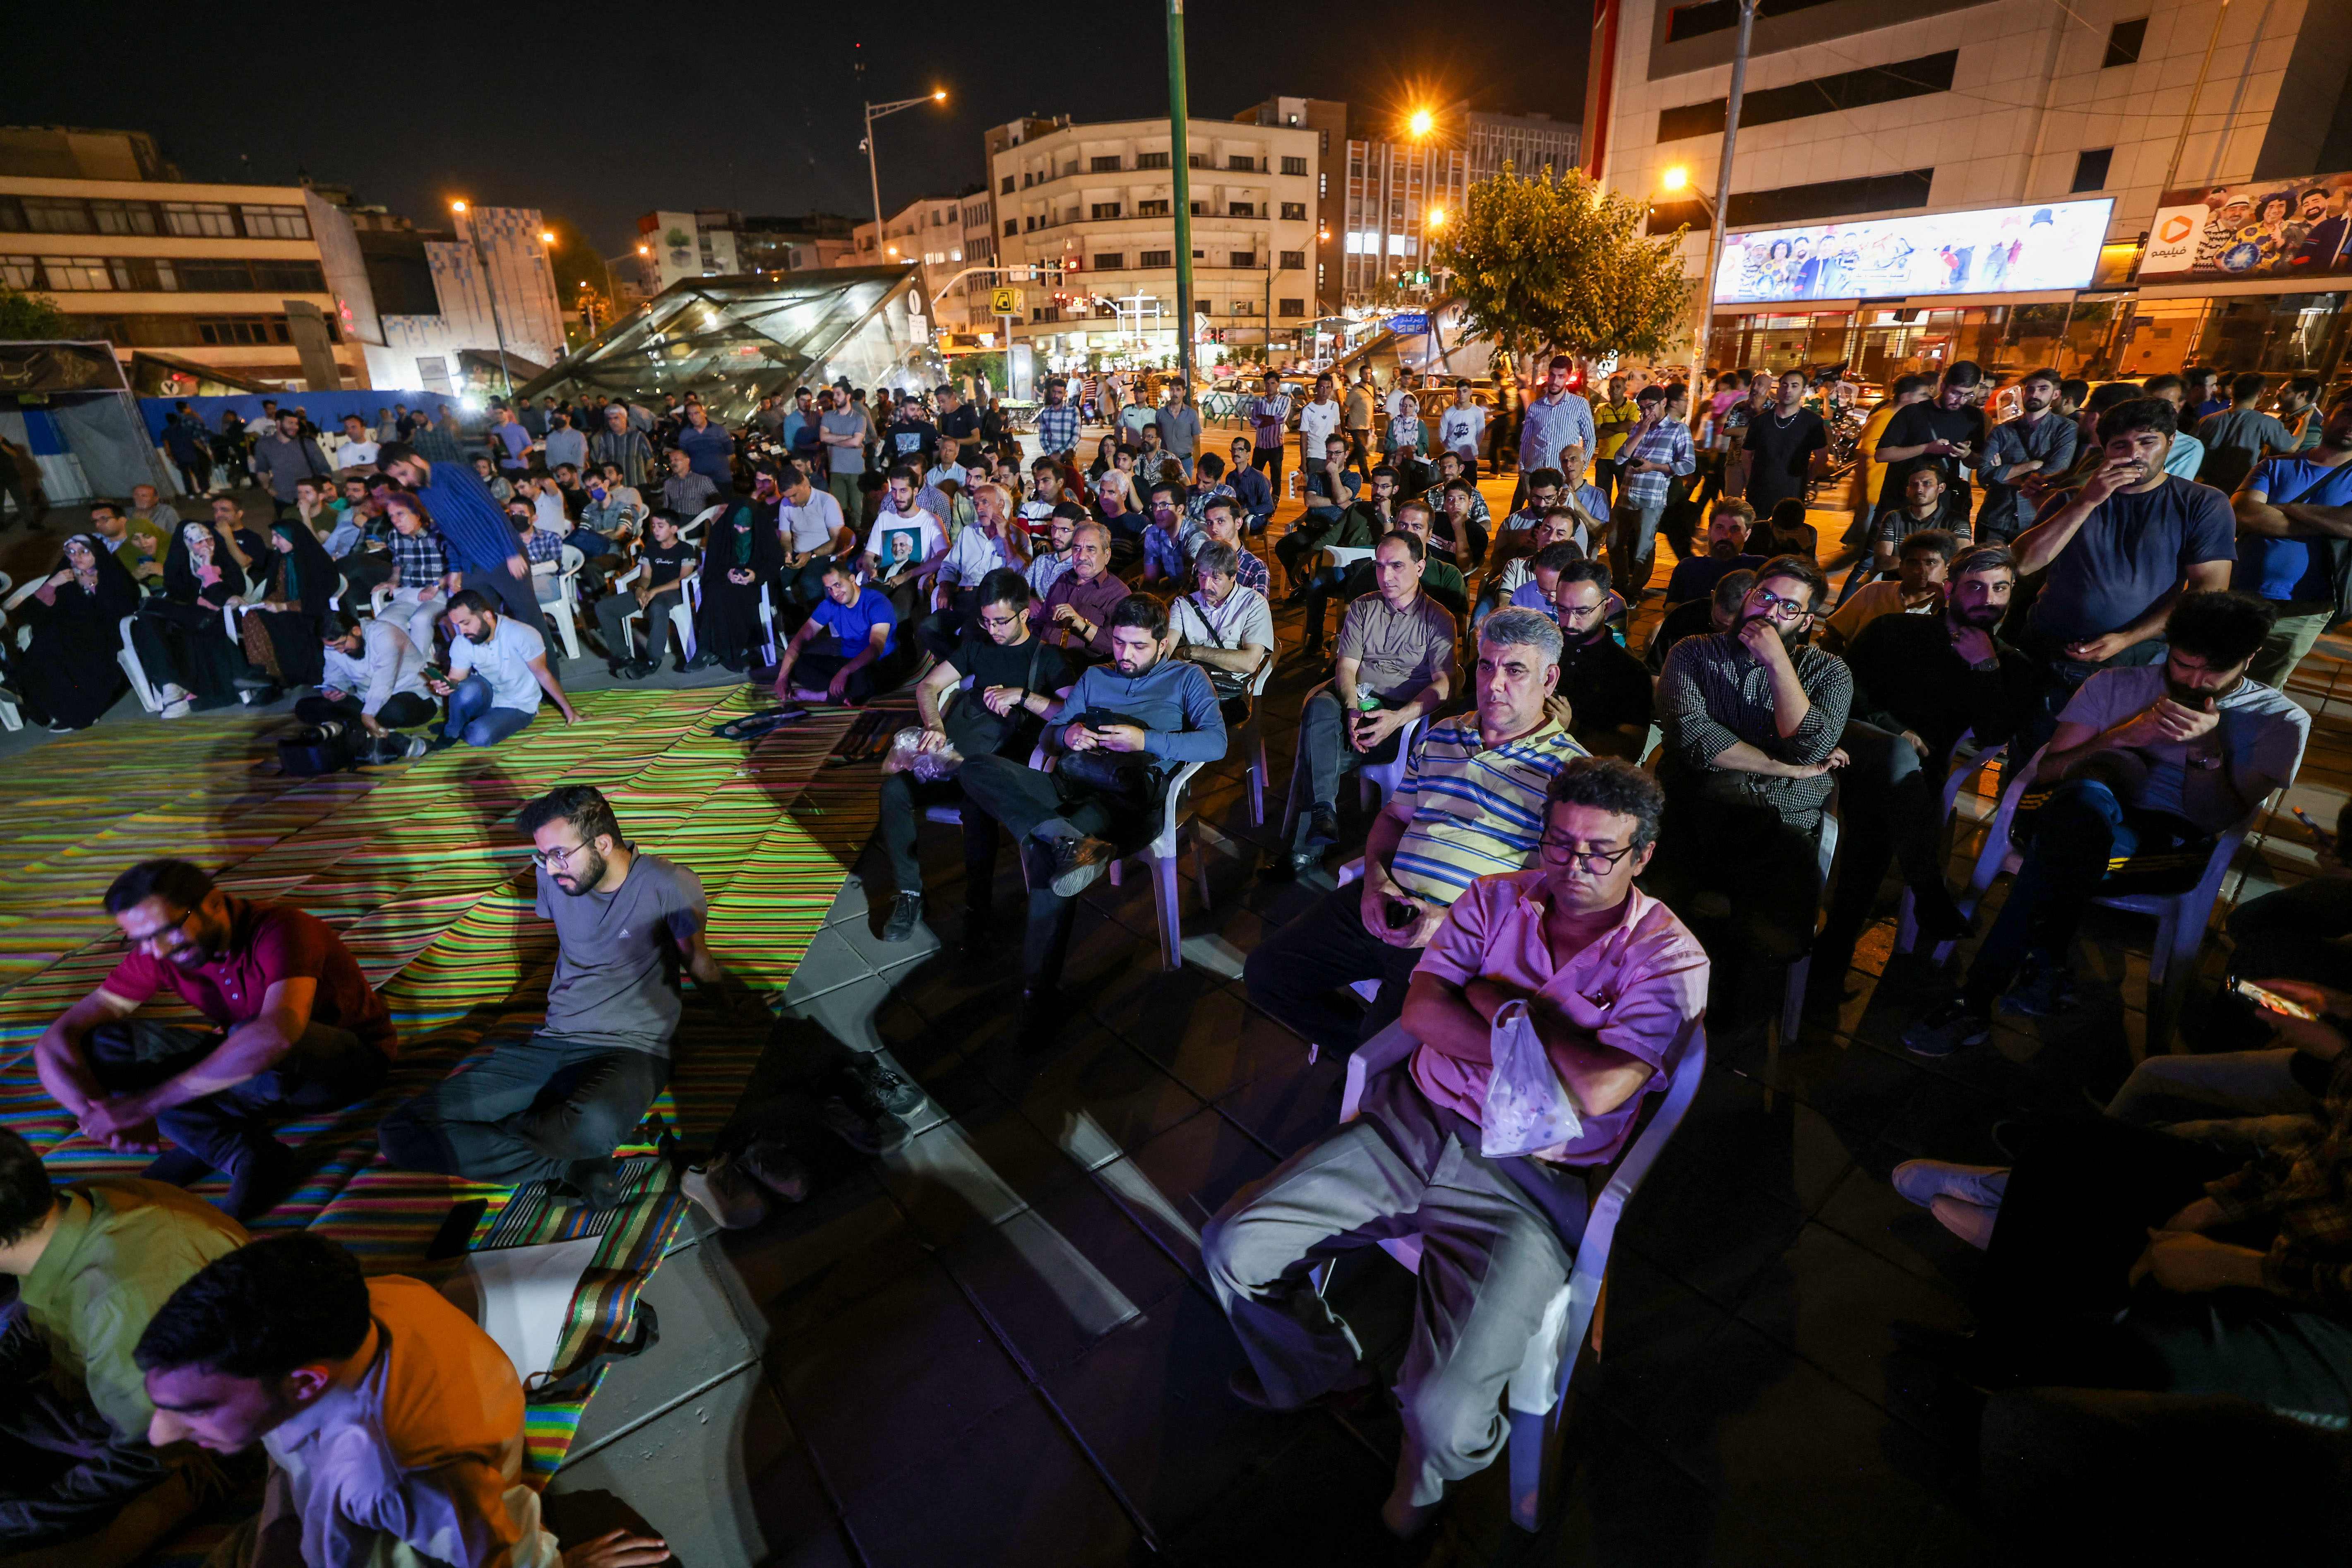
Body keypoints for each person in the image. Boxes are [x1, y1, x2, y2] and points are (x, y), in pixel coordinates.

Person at [1206, 759, 1706, 1538]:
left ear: (1641, 855)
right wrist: (1536, 1035)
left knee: (1445, 1408)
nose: (1572, 866)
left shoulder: (1670, 958)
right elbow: (1420, 1016)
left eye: (1599, 852)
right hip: (1416, 1122)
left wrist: (1490, 998)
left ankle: (1430, 1471)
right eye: (1558, 841)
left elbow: (1602, 1092)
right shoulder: (1493, 896)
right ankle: (1323, 1373)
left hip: (1531, 1180)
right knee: (1235, 1243)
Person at [1903, 591, 2307, 1054]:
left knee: (2057, 851)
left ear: (2250, 658)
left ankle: (1983, 996)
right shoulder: (2115, 685)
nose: (2194, 681)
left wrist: (2206, 748)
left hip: (2166, 841)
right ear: (2169, 647)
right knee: (2081, 800)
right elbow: (2052, 770)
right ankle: (2039, 973)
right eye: (2182, 663)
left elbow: (2212, 819)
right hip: (2079, 808)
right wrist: (2125, 735)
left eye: (2214, 670)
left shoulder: (2280, 721)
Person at [134, 1233, 664, 1568]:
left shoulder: (403, 1472)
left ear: (305, 1384)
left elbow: (490, 1545)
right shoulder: (368, 1303)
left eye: (197, 1409)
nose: (161, 1434)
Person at [1249, 610, 1586, 1047]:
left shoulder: (1570, 774)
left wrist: (1451, 924)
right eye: (1486, 665)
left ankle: (1375, 1062)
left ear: (1550, 678)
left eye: (1515, 670)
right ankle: (1366, 1053)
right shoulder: (1444, 735)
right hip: (1385, 900)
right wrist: (1375, 883)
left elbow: (1558, 891)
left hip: (1458, 937)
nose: (1494, 683)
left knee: (1371, 1079)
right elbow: (1393, 818)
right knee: (1265, 974)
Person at [381, 787, 726, 1208]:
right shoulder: (555, 875)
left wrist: (733, 1009)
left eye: (560, 854)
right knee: (399, 1133)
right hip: (553, 1041)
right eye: (542, 856)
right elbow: (575, 939)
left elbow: (699, 961)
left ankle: (562, 1143)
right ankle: (567, 1164)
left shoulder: (667, 883)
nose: (549, 868)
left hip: (633, 1047)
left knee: (593, 1125)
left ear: (603, 843)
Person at [32, 859, 396, 1219]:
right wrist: (98, 1113)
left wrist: (146, 1105)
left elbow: (279, 1034)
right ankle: (240, 1151)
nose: (157, 951)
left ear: (215, 903)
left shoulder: (282, 929)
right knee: (104, 1047)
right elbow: (56, 1040)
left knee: (254, 1034)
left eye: (168, 930)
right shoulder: (159, 951)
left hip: (341, 1068)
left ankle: (212, 1135)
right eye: (141, 939)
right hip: (252, 1071)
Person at [957, 596, 1226, 1037]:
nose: (1125, 655)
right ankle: (1061, 836)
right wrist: (1070, 732)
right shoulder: (1095, 676)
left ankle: (1035, 997)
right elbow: (1051, 734)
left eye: (1138, 646)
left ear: (1162, 645)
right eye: (1119, 643)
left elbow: (1215, 744)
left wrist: (1146, 740)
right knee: (976, 768)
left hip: (1124, 803)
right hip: (1069, 783)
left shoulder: (1186, 678)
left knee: (1048, 861)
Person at [0, 1127, 246, 1554]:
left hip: (190, 1452)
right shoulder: (70, 1208)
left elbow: (145, 1455)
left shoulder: (122, 1299)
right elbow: (40, 1315)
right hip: (102, 1398)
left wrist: (15, 1522)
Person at [1817, 545, 2040, 992]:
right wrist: (1895, 731)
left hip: (1914, 778)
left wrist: (1985, 667)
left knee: (1876, 824)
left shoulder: (2009, 664)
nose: (1988, 599)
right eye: (1975, 587)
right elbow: (1848, 694)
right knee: (1890, 782)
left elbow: (1996, 731)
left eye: (2000, 588)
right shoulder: (1894, 631)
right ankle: (1927, 892)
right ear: (1950, 589)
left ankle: (1829, 965)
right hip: (1849, 747)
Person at [1649, 557, 1852, 969]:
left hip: (1779, 818)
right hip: (1695, 808)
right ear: (1749, 596)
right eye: (1766, 597)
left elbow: (1811, 746)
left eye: (1789, 608)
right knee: (1652, 910)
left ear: (1806, 621)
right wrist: (1787, 768)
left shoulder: (1828, 671)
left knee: (1769, 938)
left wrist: (1777, 663)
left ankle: (1743, 1016)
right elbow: (1694, 738)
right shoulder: (1692, 653)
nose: (1772, 612)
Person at [2009, 396, 2237, 752]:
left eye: (2148, 442)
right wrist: (2087, 501)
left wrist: (2126, 638)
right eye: (2120, 446)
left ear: (2171, 442)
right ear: (2104, 449)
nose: (2134, 455)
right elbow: (2023, 563)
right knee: (2034, 751)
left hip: (2136, 657)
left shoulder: (2201, 503)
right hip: (2050, 647)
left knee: (2108, 756)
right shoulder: (2073, 498)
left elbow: (2208, 590)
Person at [880, 569, 1074, 945]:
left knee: (976, 802)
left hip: (996, 769)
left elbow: (1072, 711)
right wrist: (934, 725)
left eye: (1001, 621)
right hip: (950, 758)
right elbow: (928, 686)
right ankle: (909, 894)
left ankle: (978, 905)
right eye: (986, 620)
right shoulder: (977, 647)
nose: (993, 629)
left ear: (1025, 613)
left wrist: (1023, 696)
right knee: (894, 792)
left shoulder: (1047, 657)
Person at [1283, 531, 1459, 873]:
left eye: (1396, 566)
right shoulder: (1364, 607)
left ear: (1420, 567)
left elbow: (1445, 684)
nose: (1386, 576)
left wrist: (1396, 719)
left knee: (1316, 747)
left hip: (1396, 714)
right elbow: (1346, 667)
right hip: (1357, 702)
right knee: (1320, 705)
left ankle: (1306, 845)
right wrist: (1351, 708)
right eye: (1379, 566)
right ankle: (1323, 810)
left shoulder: (1439, 619)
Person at [376, 442, 555, 650]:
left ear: (415, 460)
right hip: (472, 566)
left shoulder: (453, 473)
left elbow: (492, 511)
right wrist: (454, 569)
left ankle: (548, 680)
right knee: (481, 628)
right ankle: (506, 678)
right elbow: (449, 534)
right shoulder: (423, 492)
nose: (404, 482)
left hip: (502, 557)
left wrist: (512, 552)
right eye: (397, 478)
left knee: (529, 621)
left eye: (404, 473)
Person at [2233, 388, 2352, 687]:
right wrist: (2328, 524)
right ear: (2328, 413)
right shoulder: (2274, 465)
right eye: (2348, 412)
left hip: (2306, 608)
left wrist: (2284, 509)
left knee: (2263, 690)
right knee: (2210, 675)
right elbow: (2244, 512)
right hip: (2240, 593)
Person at [132, 518, 260, 717]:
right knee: (147, 623)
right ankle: (171, 687)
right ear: (186, 545)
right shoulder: (179, 566)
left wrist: (208, 567)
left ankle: (180, 689)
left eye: (209, 539)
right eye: (198, 542)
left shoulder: (223, 562)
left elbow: (229, 593)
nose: (207, 546)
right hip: (186, 620)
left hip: (215, 621)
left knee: (173, 627)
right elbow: (180, 595)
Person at [13, 532, 139, 731]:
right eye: (71, 552)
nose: (76, 557)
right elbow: (30, 615)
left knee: (52, 649)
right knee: (44, 647)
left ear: (97, 554)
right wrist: (52, 585)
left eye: (84, 552)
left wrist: (92, 585)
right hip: (68, 638)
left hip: (105, 639)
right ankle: (34, 701)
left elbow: (123, 608)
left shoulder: (110, 573)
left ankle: (42, 701)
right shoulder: (65, 576)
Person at [426, 591, 578, 749]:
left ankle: (464, 727)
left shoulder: (522, 634)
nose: (462, 631)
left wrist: (569, 711)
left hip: (519, 705)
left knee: (479, 736)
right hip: (488, 696)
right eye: (458, 626)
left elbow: (543, 675)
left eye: (466, 623)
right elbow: (457, 679)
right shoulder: (463, 641)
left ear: (487, 616)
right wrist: (446, 686)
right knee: (467, 689)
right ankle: (452, 731)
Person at [1549, 559, 1653, 760]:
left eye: (1582, 612)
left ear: (1607, 608)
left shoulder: (1631, 672)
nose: (1569, 622)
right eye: (1562, 610)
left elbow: (1629, 752)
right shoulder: (1542, 650)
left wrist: (1571, 728)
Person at [1607, 383, 1700, 596]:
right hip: (1625, 497)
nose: (1647, 413)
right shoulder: (1640, 428)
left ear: (1664, 403)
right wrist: (1641, 432)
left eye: (1650, 407)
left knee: (1643, 550)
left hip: (1651, 501)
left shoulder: (1678, 430)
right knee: (1613, 543)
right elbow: (1620, 458)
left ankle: (1635, 590)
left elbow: (1688, 465)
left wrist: (1654, 467)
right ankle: (1620, 584)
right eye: (1642, 408)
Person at [775, 556, 896, 705]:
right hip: (847, 662)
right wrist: (782, 677)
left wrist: (845, 672)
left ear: (852, 579)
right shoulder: (830, 604)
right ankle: (844, 694)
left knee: (865, 680)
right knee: (797, 665)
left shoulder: (877, 603)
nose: (835, 593)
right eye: (830, 589)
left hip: (878, 663)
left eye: (838, 585)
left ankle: (820, 696)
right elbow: (801, 638)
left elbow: (876, 648)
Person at [296, 610, 435, 739]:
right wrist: (333, 689)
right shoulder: (334, 646)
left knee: (393, 712)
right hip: (364, 700)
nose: (339, 651)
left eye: (342, 644)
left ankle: (349, 722)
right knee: (304, 707)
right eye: (333, 647)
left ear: (356, 631)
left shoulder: (385, 635)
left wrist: (368, 714)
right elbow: (334, 676)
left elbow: (384, 682)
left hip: (412, 695)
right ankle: (358, 721)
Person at [1821, 528, 1956, 654]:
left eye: (1931, 563)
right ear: (1901, 567)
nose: (1920, 570)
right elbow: (1833, 635)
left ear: (1947, 570)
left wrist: (1941, 611)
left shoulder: (1953, 606)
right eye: (1912, 562)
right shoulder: (1874, 592)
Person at [693, 498, 785, 672]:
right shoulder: (721, 530)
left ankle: (727, 651)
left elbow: (775, 562)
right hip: (726, 578)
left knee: (735, 597)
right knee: (714, 593)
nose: (741, 531)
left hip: (756, 583)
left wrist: (755, 576)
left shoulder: (763, 530)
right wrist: (727, 573)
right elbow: (712, 565)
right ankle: (710, 649)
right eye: (737, 527)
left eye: (746, 528)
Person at [1031, 520, 1129, 661]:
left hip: (1082, 672)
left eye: (1091, 549)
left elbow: (1113, 645)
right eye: (1077, 549)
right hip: (1042, 662)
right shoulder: (1063, 580)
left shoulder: (1118, 594)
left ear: (1107, 555)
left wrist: (1079, 622)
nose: (1082, 557)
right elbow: (1039, 625)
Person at [1738, 370, 1828, 520]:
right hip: (1760, 492)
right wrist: (1751, 480)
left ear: (1803, 390)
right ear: (1778, 389)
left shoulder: (1812, 422)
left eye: (1795, 386)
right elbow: (1747, 454)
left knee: (1787, 537)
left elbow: (1822, 457)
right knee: (1757, 536)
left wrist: (1806, 479)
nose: (1789, 390)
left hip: (1792, 492)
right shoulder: (1761, 421)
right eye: (1785, 385)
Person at [2198, 372, 2301, 496]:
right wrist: (2304, 422)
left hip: (2202, 486)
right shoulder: (2266, 422)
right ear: (2261, 392)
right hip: (2236, 490)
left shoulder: (2207, 420)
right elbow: (2292, 447)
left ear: (2232, 391)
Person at [1662, 497, 1768, 610]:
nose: (1726, 535)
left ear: (1747, 535)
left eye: (1735, 529)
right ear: (1709, 530)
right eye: (1720, 528)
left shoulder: (1759, 567)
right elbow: (1671, 609)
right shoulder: (1688, 567)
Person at [1517, 355, 1595, 491]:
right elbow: (1526, 441)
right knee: (1521, 511)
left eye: (1561, 376)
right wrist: (1523, 471)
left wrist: (1579, 470)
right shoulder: (1535, 407)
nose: (1555, 381)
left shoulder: (1580, 405)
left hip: (1562, 475)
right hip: (1534, 473)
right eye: (1552, 375)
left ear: (1569, 377)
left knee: (1560, 512)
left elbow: (1590, 439)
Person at [250, 411, 329, 509]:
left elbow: (325, 469)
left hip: (310, 500)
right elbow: (262, 469)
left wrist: (320, 492)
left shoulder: (307, 444)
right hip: (282, 499)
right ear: (278, 423)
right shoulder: (264, 445)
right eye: (291, 423)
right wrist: (268, 487)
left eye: (296, 424)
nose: (295, 427)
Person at [592, 403, 656, 490]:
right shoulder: (605, 438)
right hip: (616, 488)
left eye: (616, 418)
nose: (613, 422)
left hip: (638, 484)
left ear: (625, 418)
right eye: (610, 419)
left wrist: (643, 474)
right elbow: (602, 462)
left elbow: (650, 459)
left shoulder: (638, 436)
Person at [1245, 372, 1291, 491]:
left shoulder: (1285, 400)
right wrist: (1272, 420)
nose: (1270, 386)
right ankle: (1255, 498)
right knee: (1254, 475)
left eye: (1273, 383)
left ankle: (1275, 499)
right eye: (1267, 384)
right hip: (1260, 446)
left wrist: (1263, 418)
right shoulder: (1259, 402)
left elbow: (1281, 418)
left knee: (1276, 476)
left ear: (1278, 384)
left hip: (1276, 446)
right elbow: (1254, 422)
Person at [1226, 435, 1276, 535]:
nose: (1236, 453)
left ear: (1248, 455)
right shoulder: (1230, 477)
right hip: (1237, 517)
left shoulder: (1258, 477)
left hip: (1254, 519)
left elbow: (1269, 506)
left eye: (1240, 450)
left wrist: (1247, 511)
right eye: (1234, 450)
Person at [1298, 372, 1343, 478]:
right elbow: (1304, 437)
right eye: (1322, 387)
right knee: (1314, 491)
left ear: (1331, 389)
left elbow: (1338, 429)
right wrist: (1303, 462)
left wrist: (1341, 454)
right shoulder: (1308, 410)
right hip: (1314, 457)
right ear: (1317, 389)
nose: (1325, 391)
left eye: (1328, 388)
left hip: (1332, 456)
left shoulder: (1334, 406)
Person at [1155, 380, 1203, 478]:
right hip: (1166, 461)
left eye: (1178, 390)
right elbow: (1158, 435)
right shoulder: (1160, 413)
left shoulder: (1192, 414)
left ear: (1184, 392)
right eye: (1172, 390)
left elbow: (1196, 438)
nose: (1175, 393)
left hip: (1185, 461)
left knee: (1185, 490)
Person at [1033, 377, 1080, 463]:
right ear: (1050, 392)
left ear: (1065, 393)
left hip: (1068, 457)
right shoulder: (1045, 413)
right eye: (1054, 392)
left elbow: (1076, 436)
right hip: (1051, 457)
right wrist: (1051, 454)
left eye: (1059, 393)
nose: (1056, 395)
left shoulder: (1073, 411)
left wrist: (1060, 453)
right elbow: (1043, 438)